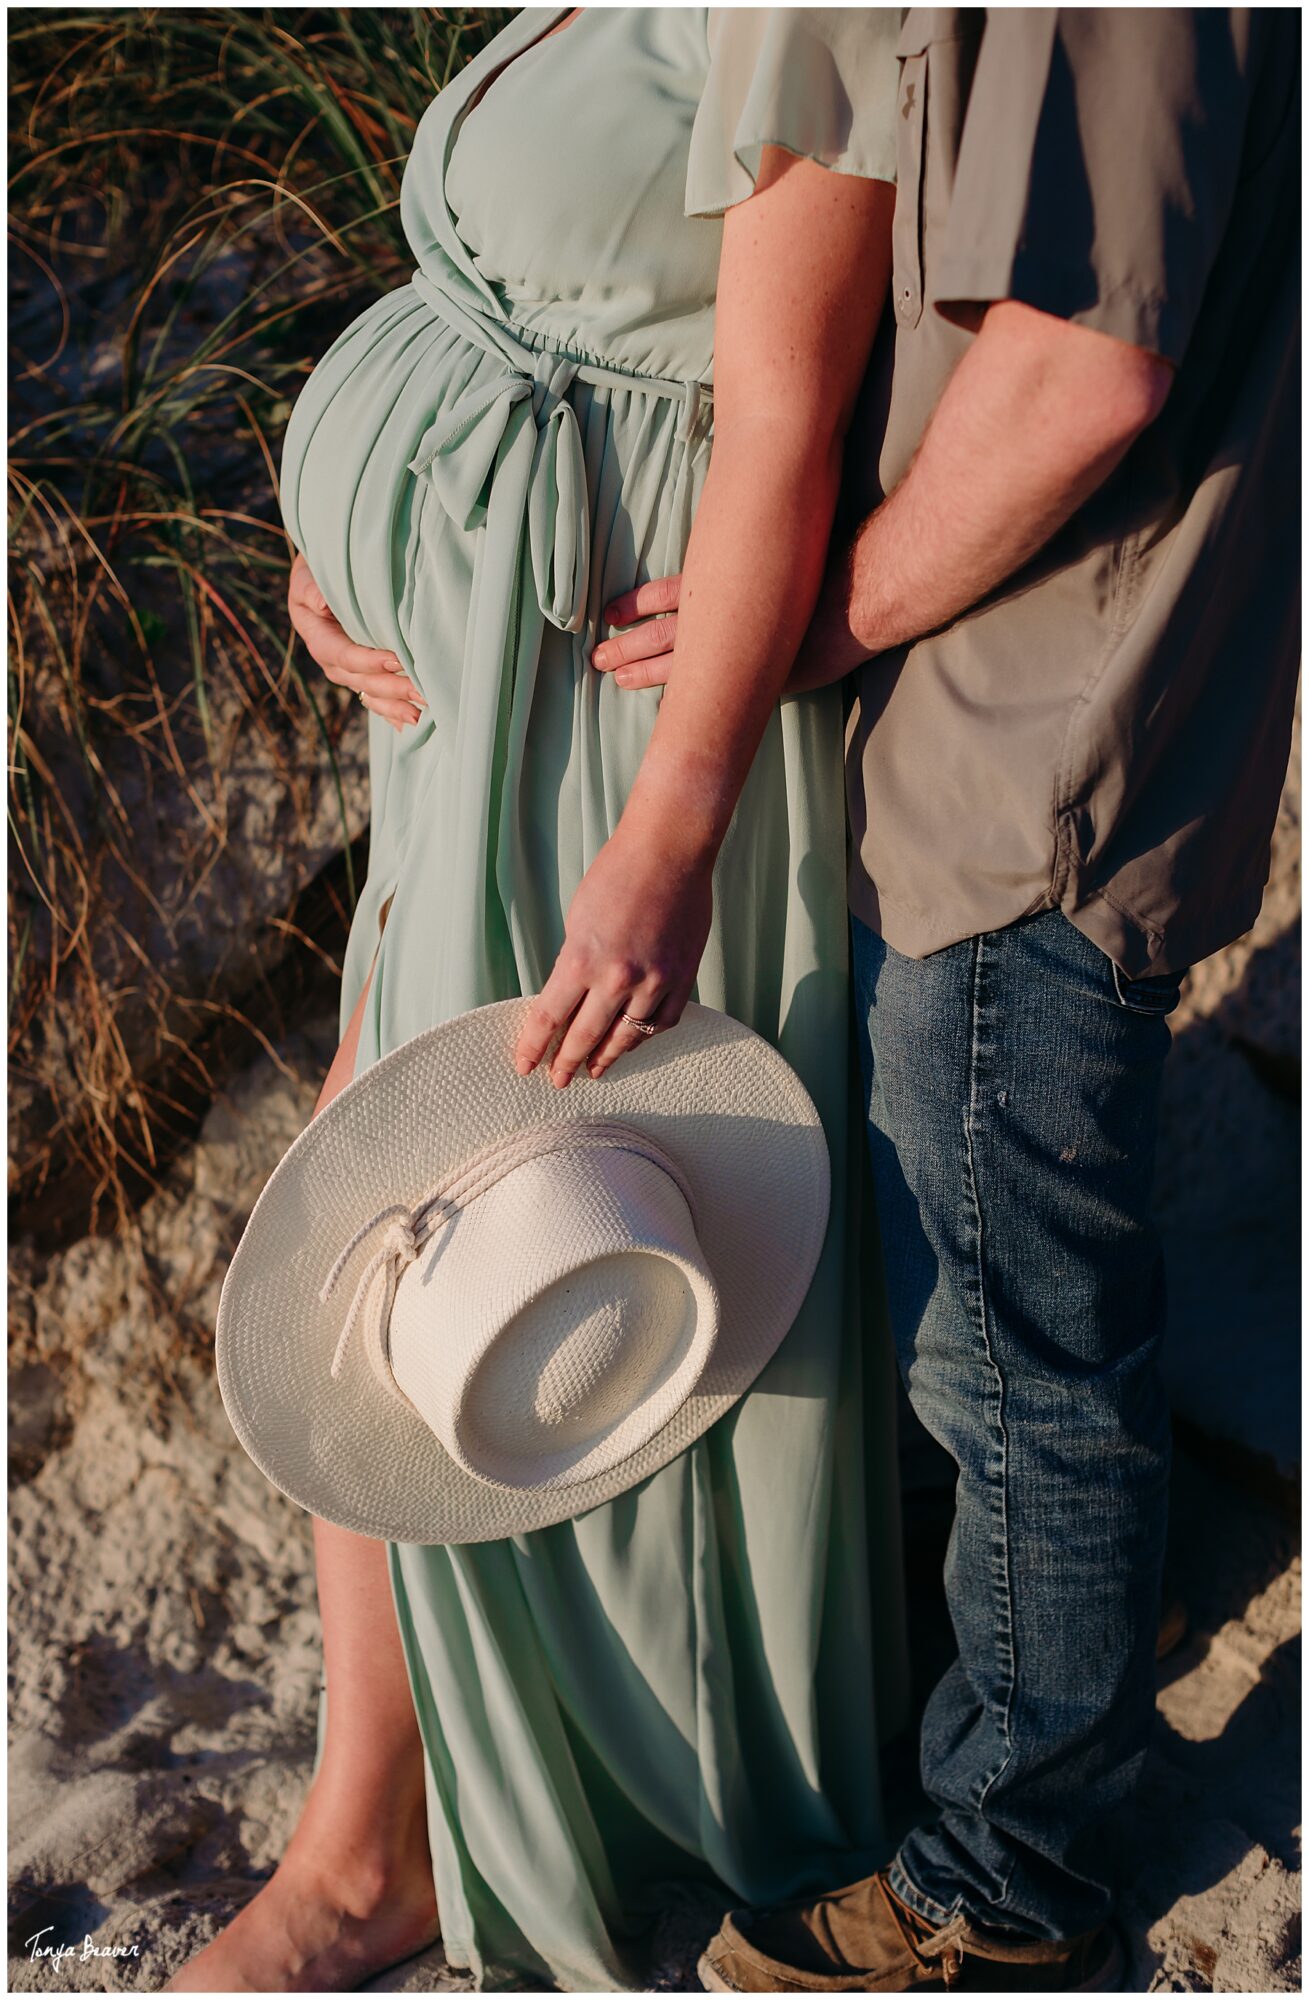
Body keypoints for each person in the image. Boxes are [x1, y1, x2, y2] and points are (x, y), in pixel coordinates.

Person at [170, 10, 914, 1994]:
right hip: (474, 684)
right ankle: (375, 1824)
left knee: (465, 1221)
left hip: (602, 713)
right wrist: (366, 523)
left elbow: (770, 417)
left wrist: (668, 833)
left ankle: (370, 1851)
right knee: (390, 1188)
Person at [592, 9, 1301, 1991]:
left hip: (1031, 759)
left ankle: (1011, 1873)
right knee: (1014, 1304)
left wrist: (817, 612)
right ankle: (1101, 1621)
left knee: (1014, 1346)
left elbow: (1082, 369)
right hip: (1047, 732)